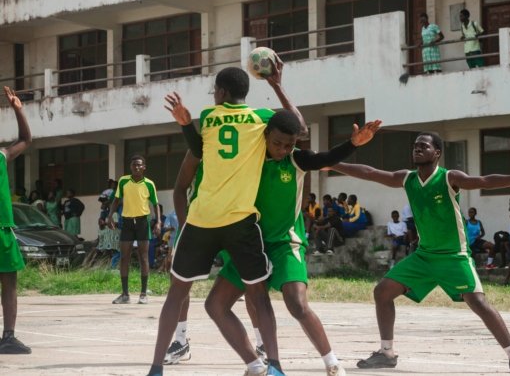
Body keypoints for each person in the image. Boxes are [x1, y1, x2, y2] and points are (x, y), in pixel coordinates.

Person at [164, 97, 381, 375]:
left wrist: (352, 144)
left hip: (285, 242)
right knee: (215, 305)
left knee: (297, 303)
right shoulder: (248, 156)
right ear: (265, 135)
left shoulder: (296, 159)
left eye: (288, 144)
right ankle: (256, 364)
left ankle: (332, 362)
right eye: (277, 143)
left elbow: (324, 157)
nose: (282, 149)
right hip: (250, 243)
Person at [332, 132, 510, 373]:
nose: (417, 149)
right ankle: (386, 353)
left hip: (454, 256)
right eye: (415, 146)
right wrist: (332, 163)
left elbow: (484, 181)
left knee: (478, 302)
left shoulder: (449, 178)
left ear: (437, 153)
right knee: (382, 292)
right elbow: (370, 173)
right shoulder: (408, 178)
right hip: (424, 256)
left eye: (423, 146)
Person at [148, 63, 300, 376]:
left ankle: (156, 367)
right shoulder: (261, 120)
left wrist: (185, 123)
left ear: (221, 92)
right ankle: (274, 365)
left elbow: (196, 148)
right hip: (240, 221)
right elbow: (298, 127)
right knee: (258, 294)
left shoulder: (210, 118)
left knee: (177, 293)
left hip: (202, 220)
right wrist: (277, 85)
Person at [0, 86, 32, 354]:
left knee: (10, 283)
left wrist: (18, 110)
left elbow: (26, 138)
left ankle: (8, 336)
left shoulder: (1, 156)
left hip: (3, 232)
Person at [108, 155, 161, 305]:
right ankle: (125, 294)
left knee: (143, 257)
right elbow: (116, 200)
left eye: (139, 165)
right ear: (130, 167)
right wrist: (110, 216)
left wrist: (158, 222)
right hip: (127, 222)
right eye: (134, 165)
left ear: (144, 167)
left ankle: (143, 294)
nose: (136, 167)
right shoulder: (124, 181)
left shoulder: (149, 184)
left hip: (143, 222)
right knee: (124, 257)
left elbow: (155, 203)